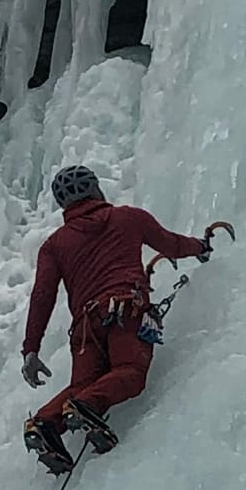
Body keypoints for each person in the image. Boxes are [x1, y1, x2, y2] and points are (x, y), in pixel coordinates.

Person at [20, 164, 231, 473]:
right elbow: (171, 244)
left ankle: (44, 423)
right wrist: (200, 246)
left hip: (84, 329)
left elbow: (42, 297)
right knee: (130, 373)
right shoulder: (128, 218)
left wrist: (31, 350)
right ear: (95, 188)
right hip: (125, 312)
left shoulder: (55, 245)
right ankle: (87, 406)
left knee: (83, 384)